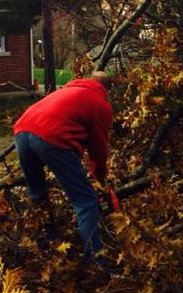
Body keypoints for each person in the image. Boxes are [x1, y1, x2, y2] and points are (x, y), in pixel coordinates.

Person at [13, 71, 113, 259]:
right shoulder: (100, 103)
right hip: (51, 138)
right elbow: (98, 147)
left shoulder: (66, 90)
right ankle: (95, 260)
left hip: (22, 131)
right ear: (106, 89)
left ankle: (46, 248)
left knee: (37, 194)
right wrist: (100, 177)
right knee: (86, 201)